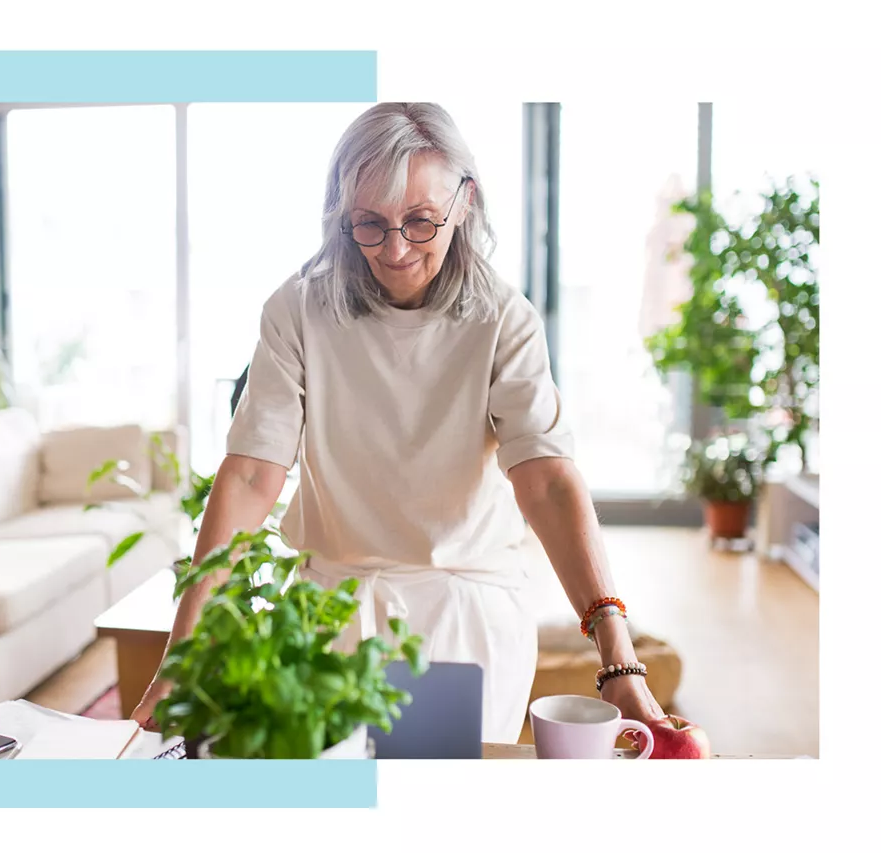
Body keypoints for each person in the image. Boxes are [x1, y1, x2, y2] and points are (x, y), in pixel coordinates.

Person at [130, 102, 665, 743]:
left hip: (464, 607)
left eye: (419, 221)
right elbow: (249, 474)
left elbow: (547, 482)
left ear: (464, 202)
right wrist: (182, 651)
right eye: (369, 223)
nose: (394, 249)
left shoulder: (503, 319)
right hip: (331, 610)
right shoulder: (298, 309)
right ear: (341, 212)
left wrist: (618, 657)